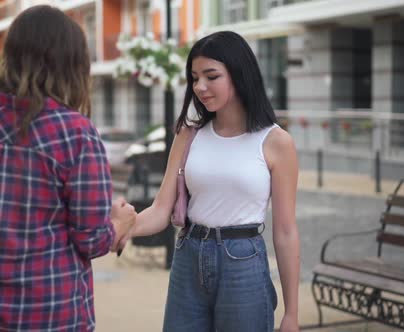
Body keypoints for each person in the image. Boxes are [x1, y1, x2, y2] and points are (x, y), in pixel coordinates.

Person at [0, 5, 136, 331]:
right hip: (50, 316)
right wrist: (120, 223)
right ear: (71, 63)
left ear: (9, 54)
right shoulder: (75, 133)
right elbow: (92, 240)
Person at [121, 31, 300, 331]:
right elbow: (160, 210)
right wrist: (123, 228)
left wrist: (292, 314)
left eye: (211, 76)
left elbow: (285, 231)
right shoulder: (187, 135)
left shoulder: (275, 142)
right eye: (194, 77)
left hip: (243, 263)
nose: (200, 87)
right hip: (188, 256)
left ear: (239, 74)